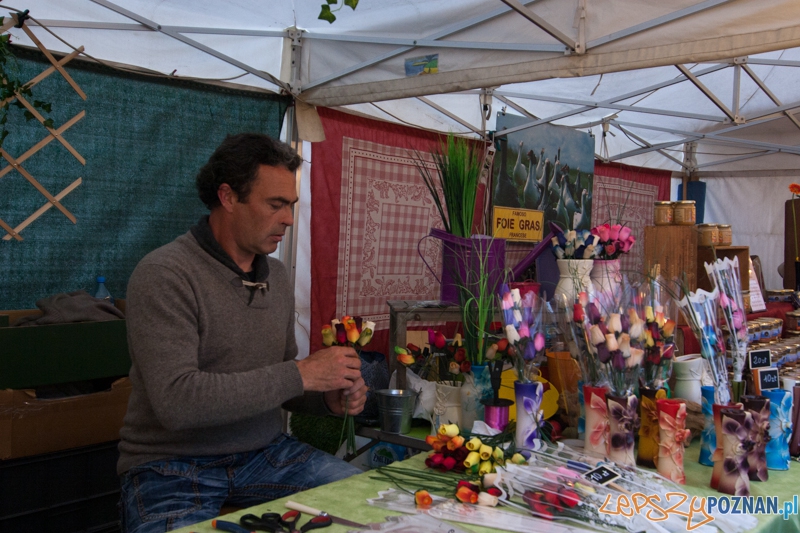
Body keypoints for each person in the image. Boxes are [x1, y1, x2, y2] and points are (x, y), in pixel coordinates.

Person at [117, 133, 367, 533]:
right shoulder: (165, 274)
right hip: (171, 467)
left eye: (291, 206)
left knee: (371, 506)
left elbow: (283, 382)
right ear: (228, 197)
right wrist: (301, 374)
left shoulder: (279, 278)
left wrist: (326, 398)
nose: (287, 218)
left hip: (265, 456)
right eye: (275, 204)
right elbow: (177, 402)